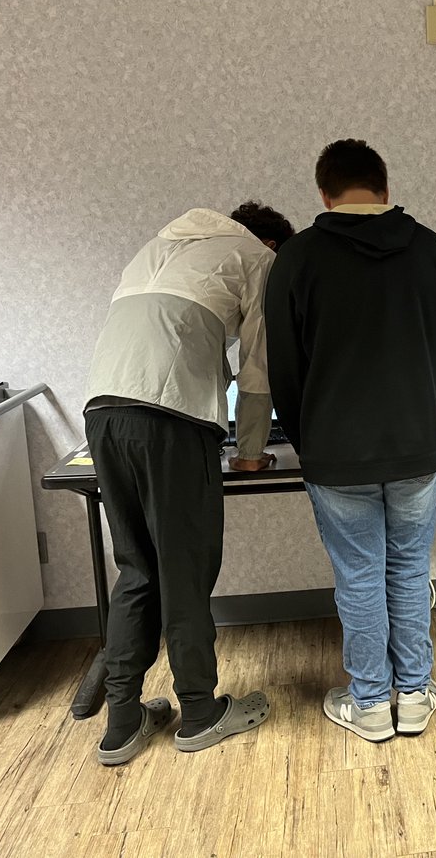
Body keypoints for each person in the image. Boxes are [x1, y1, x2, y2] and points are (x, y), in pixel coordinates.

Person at [83, 201, 293, 764]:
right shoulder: (257, 258)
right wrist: (250, 454)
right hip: (171, 420)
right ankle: (200, 712)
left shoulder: (155, 247)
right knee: (184, 568)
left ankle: (123, 721)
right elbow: (258, 369)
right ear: (273, 244)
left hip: (102, 414)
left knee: (136, 567)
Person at [264, 139, 436, 742]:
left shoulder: (297, 258)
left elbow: (284, 369)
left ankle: (371, 704)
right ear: (385, 189)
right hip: (416, 445)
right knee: (407, 569)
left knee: (359, 574)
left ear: (324, 194)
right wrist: (428, 423)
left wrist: (308, 439)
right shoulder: (430, 250)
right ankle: (414, 695)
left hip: (335, 451)